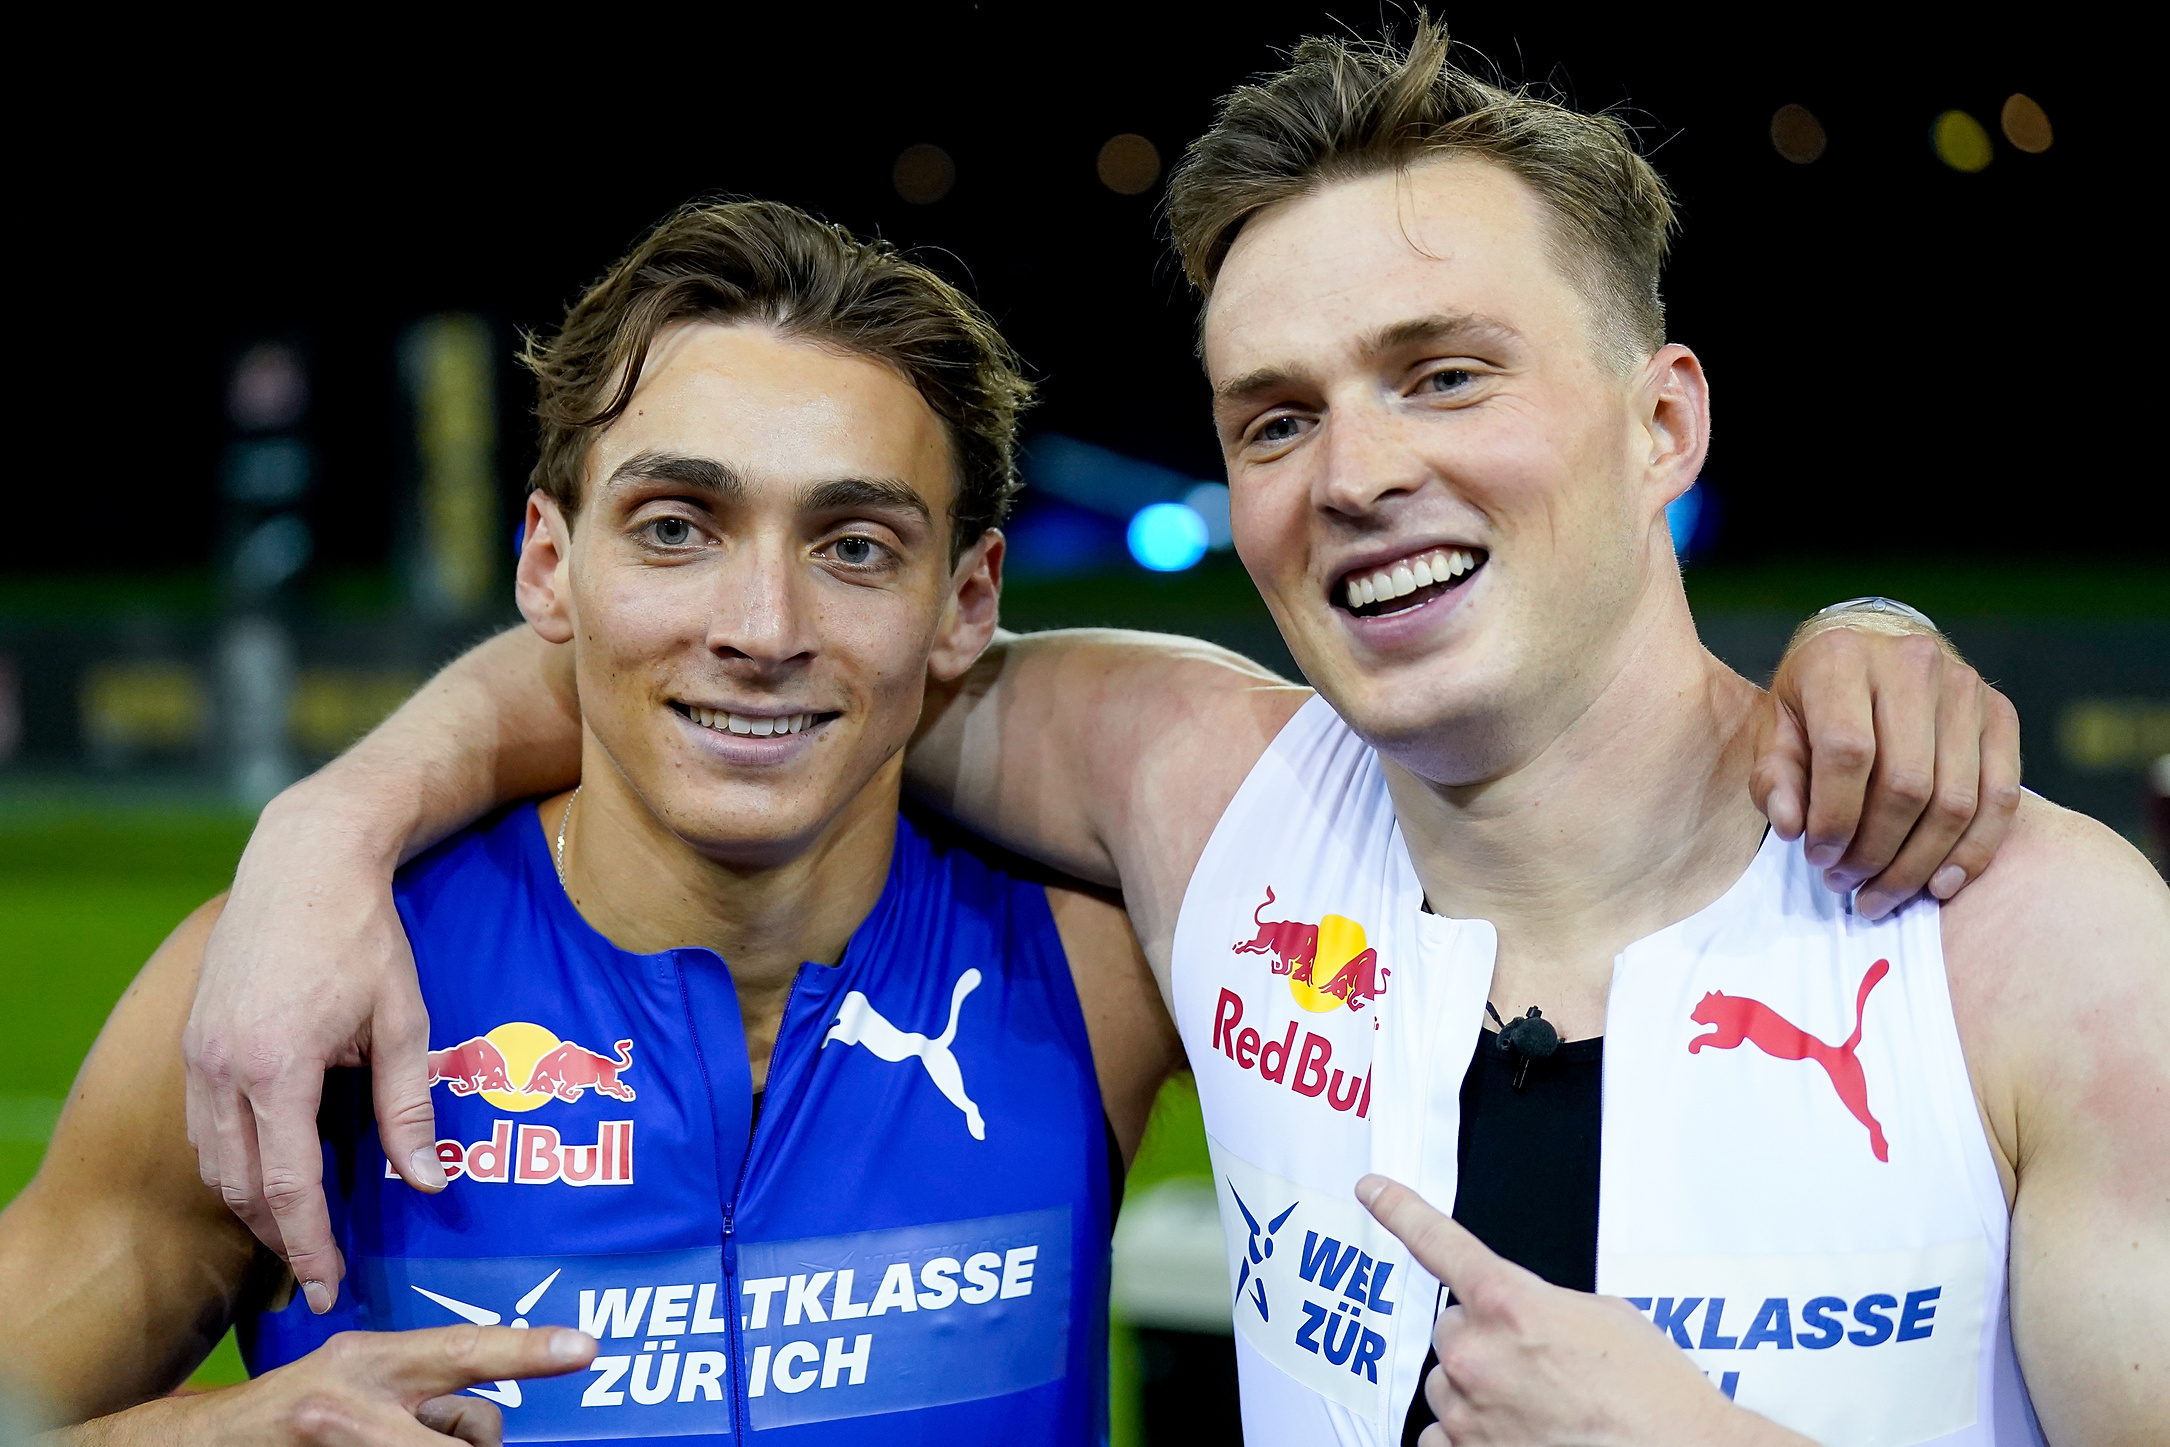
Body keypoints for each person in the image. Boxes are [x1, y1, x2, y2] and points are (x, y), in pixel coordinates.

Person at [175, 31, 2055, 1445]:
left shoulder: (2048, 959)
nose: (1365, 472)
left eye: (1446, 372)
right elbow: (737, 673)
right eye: (1274, 419)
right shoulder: (1210, 806)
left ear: (1665, 419)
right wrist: (326, 831)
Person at [0, 200, 1182, 1442]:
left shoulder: (1103, 973)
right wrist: (216, 1436)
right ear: (548, 566)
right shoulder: (293, 998)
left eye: (854, 546)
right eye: (675, 528)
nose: (761, 628)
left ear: (965, 598)